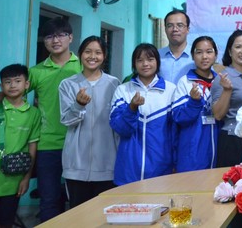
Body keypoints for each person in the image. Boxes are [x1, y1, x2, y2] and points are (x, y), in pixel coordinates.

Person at [0, 17, 80, 222]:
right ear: (44, 41)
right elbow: (12, 93)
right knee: (49, 199)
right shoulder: (36, 72)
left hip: (78, 141)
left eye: (60, 35)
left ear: (70, 38)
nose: (55, 40)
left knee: (78, 200)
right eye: (49, 36)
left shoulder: (81, 66)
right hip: (47, 143)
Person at [0, 64, 41, 228]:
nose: (12, 85)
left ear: (26, 84)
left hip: (13, 182)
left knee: (5, 223)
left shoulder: (33, 114)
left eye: (17, 81)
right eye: (8, 82)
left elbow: (32, 148)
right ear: (1, 86)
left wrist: (26, 178)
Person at [59, 36, 120, 206]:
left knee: (104, 215)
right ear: (80, 54)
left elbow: (117, 123)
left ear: (104, 56)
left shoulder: (114, 84)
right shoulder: (68, 84)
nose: (92, 56)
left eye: (98, 52)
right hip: (76, 167)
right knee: (78, 215)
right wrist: (78, 105)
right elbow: (66, 120)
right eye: (87, 52)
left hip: (107, 165)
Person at [109, 44, 176, 186]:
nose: (145, 64)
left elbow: (176, 133)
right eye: (140, 60)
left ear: (157, 62)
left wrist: (175, 163)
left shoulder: (171, 90)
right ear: (134, 64)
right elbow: (121, 129)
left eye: (150, 59)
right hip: (128, 170)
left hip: (162, 171)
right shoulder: (123, 90)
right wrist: (131, 108)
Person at [172, 36, 221, 172]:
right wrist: (193, 102)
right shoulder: (185, 82)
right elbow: (178, 117)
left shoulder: (221, 82)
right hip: (192, 152)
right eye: (199, 52)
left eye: (209, 52)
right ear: (193, 56)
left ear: (216, 55)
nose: (204, 57)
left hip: (218, 150)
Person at [211, 30, 242, 168]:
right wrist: (227, 90)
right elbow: (218, 115)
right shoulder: (223, 77)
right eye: (238, 47)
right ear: (230, 52)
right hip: (233, 139)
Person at [158, 10, 193, 85]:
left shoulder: (197, 56)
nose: (175, 29)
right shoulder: (156, 56)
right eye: (170, 26)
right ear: (165, 29)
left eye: (180, 25)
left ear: (188, 29)